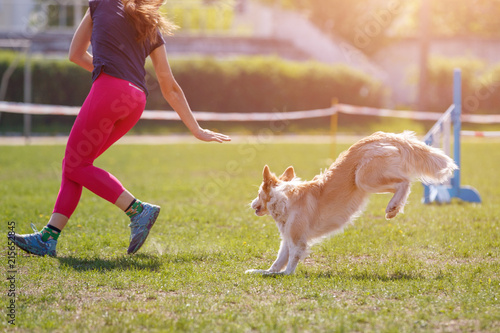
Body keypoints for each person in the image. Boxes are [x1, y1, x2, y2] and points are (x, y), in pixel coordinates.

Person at [11, 0, 231, 257]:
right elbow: (167, 84)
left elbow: (75, 54)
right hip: (136, 100)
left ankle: (137, 209)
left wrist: (110, 69)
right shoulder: (149, 22)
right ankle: (48, 237)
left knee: (75, 164)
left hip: (109, 91)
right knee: (77, 164)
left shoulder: (100, 3)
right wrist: (196, 128)